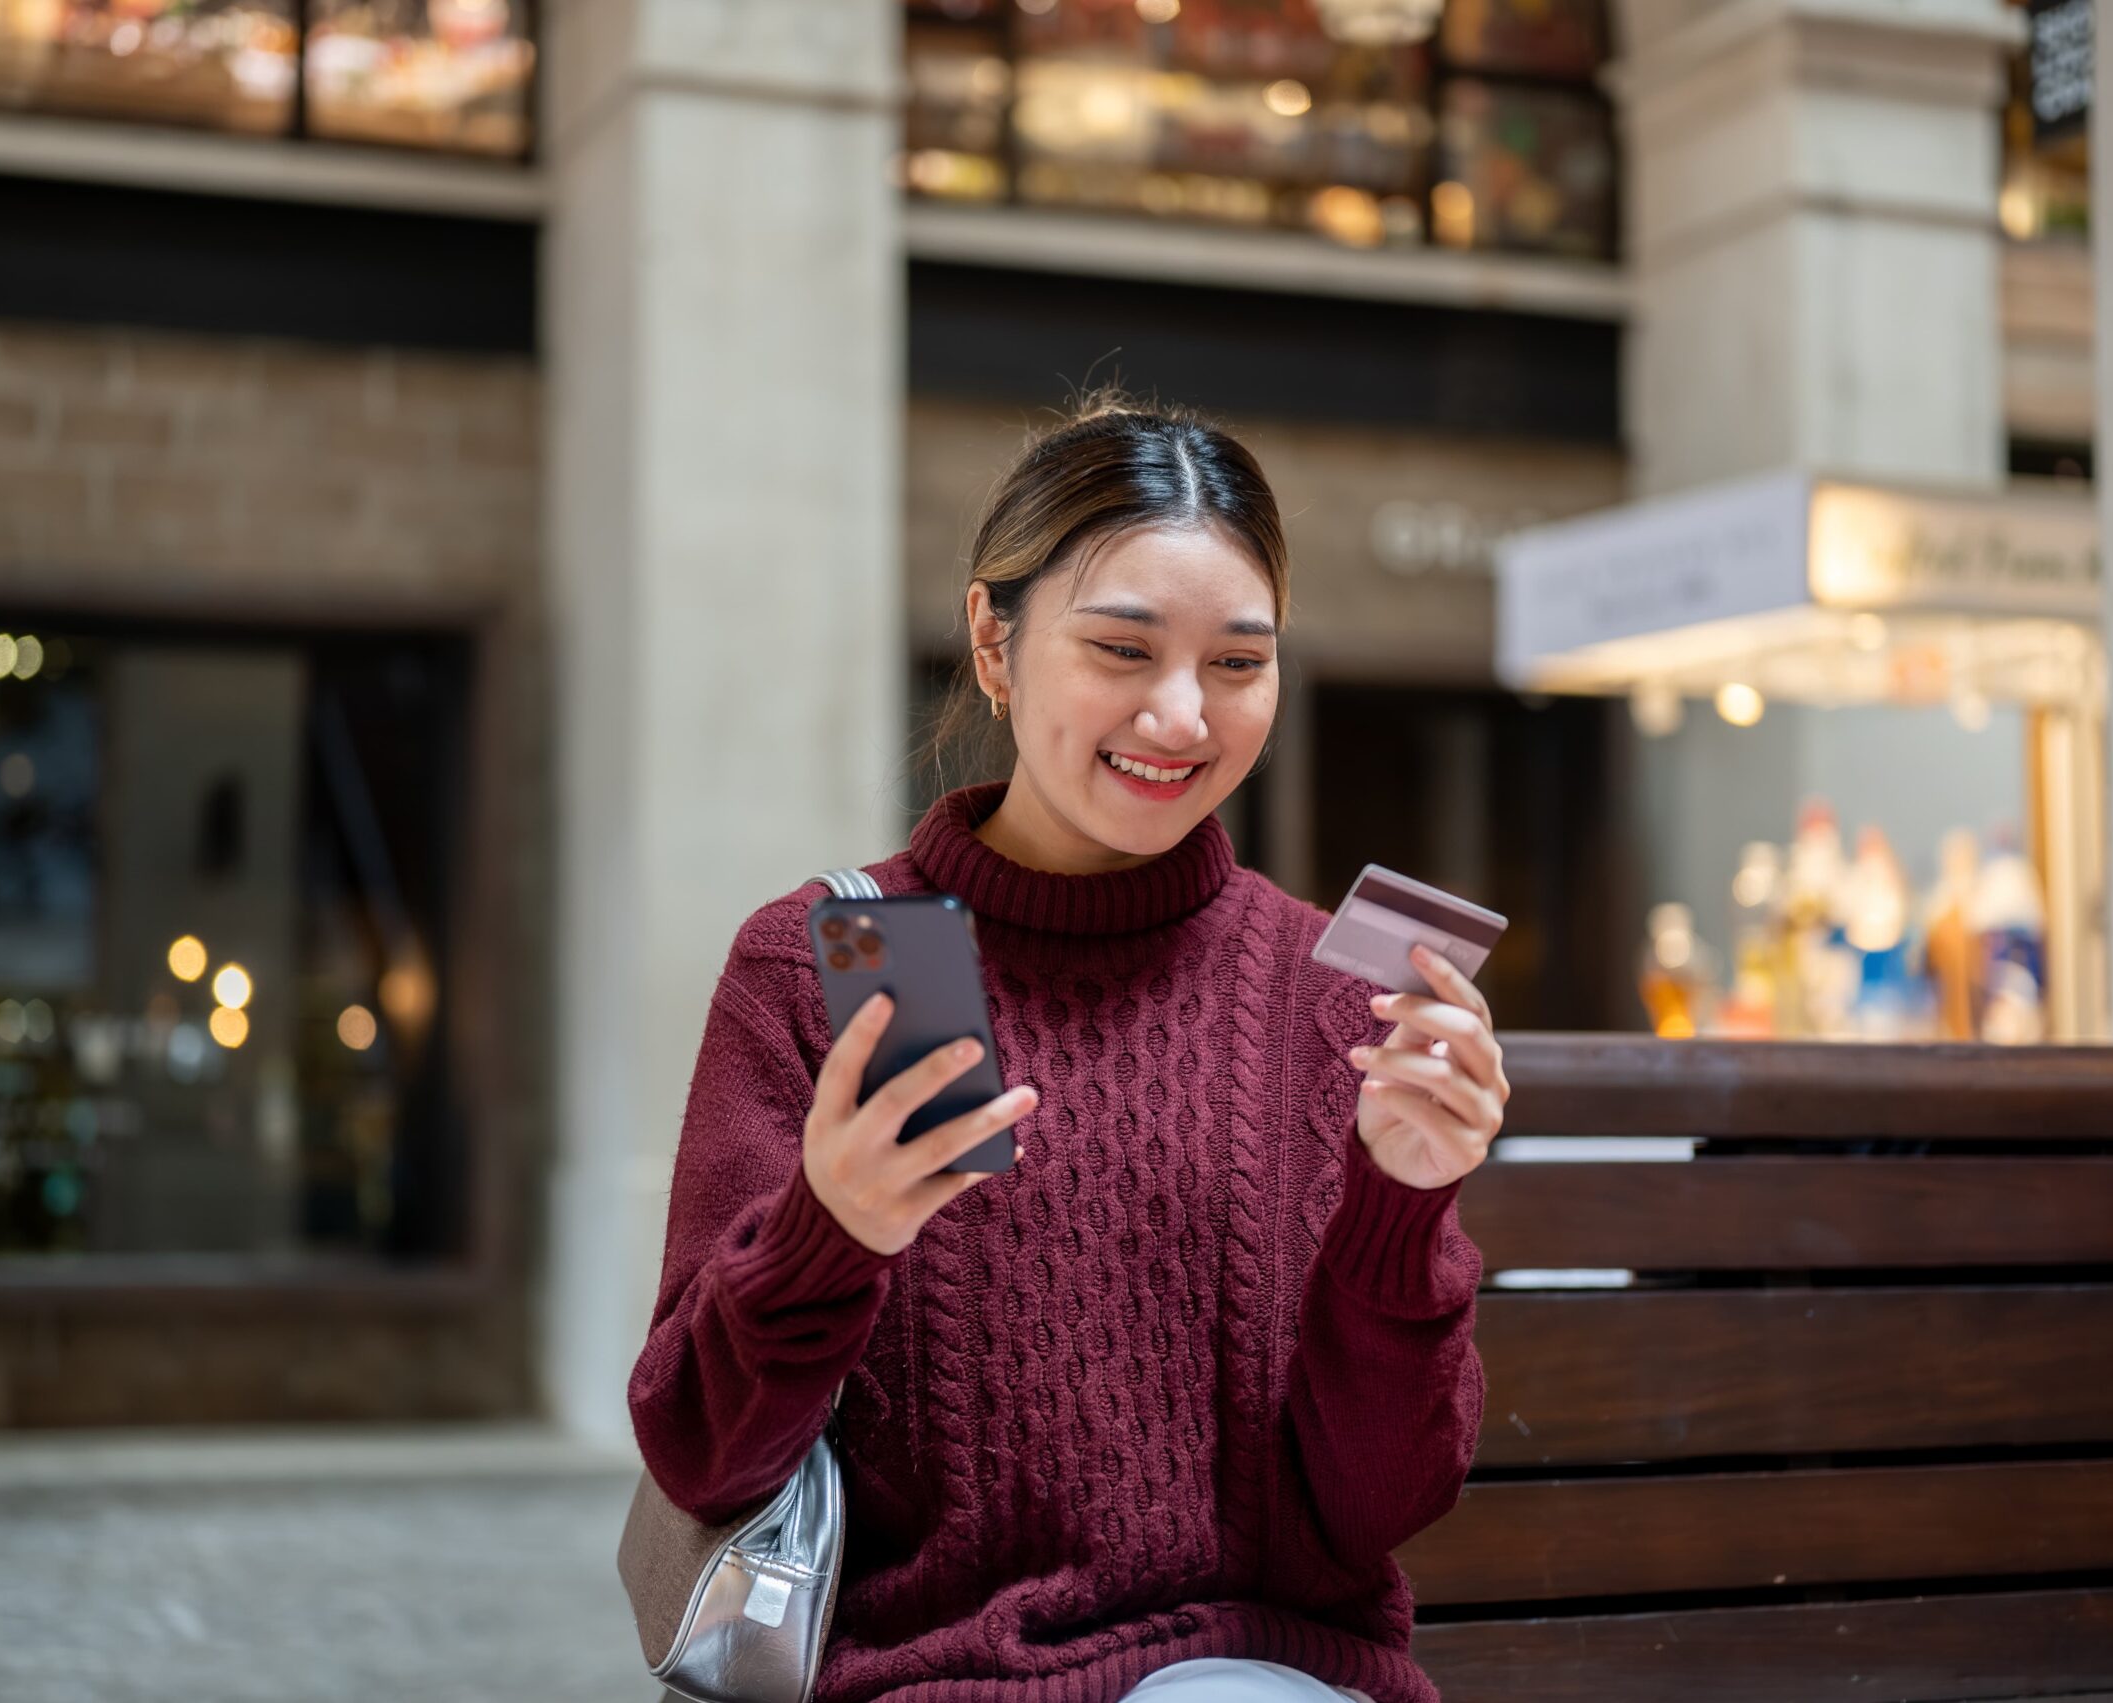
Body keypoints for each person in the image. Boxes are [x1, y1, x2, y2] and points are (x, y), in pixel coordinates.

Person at [626, 397, 1506, 1703]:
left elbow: (1380, 1504)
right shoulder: (821, 964)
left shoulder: (1338, 993)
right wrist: (832, 1231)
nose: (1181, 718)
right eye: (1121, 649)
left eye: (1237, 664)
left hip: (1269, 1677)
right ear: (995, 641)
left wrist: (1403, 1206)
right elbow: (704, 1458)